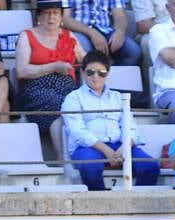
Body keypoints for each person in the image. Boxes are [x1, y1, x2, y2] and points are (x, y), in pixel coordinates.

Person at [62, 51, 160, 191]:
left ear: (107, 74)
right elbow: (77, 131)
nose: (96, 76)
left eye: (101, 72)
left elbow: (131, 128)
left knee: (150, 167)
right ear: (83, 72)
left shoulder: (118, 97)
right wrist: (107, 151)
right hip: (89, 147)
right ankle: (100, 206)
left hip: (120, 145)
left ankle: (132, 205)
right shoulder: (73, 98)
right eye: (91, 72)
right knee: (90, 167)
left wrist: (124, 147)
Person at [14, 0, 86, 159]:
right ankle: (63, 159)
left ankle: (80, 157)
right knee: (59, 105)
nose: (51, 17)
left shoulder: (69, 36)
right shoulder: (27, 35)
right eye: (46, 12)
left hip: (67, 88)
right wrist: (53, 67)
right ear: (38, 15)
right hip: (35, 89)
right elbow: (21, 71)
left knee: (75, 103)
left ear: (61, 16)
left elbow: (87, 63)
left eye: (55, 13)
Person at [63, 0, 142, 66]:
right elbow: (65, 19)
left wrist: (120, 32)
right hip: (79, 30)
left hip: (105, 30)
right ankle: (87, 83)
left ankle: (116, 80)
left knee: (133, 51)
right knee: (84, 51)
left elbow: (120, 15)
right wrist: (93, 33)